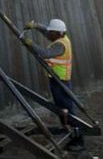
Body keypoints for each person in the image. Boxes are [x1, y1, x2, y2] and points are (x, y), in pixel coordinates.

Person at [23, 18, 85, 151]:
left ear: (58, 33)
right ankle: (70, 133)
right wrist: (35, 25)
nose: (49, 34)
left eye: (52, 32)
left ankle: (79, 141)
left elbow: (45, 54)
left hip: (61, 82)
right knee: (63, 110)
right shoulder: (60, 37)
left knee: (67, 110)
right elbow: (46, 31)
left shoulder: (60, 45)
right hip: (57, 80)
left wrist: (30, 43)